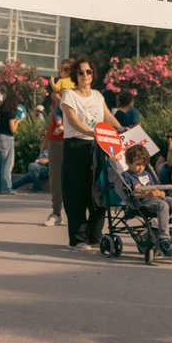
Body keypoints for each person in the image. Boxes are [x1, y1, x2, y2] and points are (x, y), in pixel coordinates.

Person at [60, 57, 123, 251]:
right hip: (76, 146)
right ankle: (77, 238)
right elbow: (72, 120)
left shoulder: (97, 95)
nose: (85, 75)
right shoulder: (69, 95)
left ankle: (95, 236)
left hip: (98, 146)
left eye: (88, 72)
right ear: (75, 75)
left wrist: (121, 129)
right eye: (80, 72)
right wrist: (93, 132)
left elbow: (106, 116)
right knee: (76, 191)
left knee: (98, 189)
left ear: (93, 74)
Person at [120, 145, 172, 258]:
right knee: (163, 205)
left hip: (155, 199)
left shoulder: (147, 174)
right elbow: (131, 194)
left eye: (143, 164)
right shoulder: (126, 176)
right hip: (142, 203)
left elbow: (155, 188)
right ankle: (163, 239)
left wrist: (160, 193)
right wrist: (148, 194)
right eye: (137, 164)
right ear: (128, 162)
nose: (141, 167)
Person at [43, 60, 73, 227]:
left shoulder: (77, 90)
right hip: (57, 138)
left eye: (69, 70)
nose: (66, 73)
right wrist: (46, 139)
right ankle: (56, 212)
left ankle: (75, 215)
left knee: (74, 177)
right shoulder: (58, 91)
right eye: (63, 70)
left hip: (75, 136)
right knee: (55, 177)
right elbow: (53, 118)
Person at [0, 99, 18, 194]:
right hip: (7, 138)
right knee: (7, 164)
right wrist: (17, 123)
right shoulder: (10, 114)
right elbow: (13, 129)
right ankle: (6, 188)